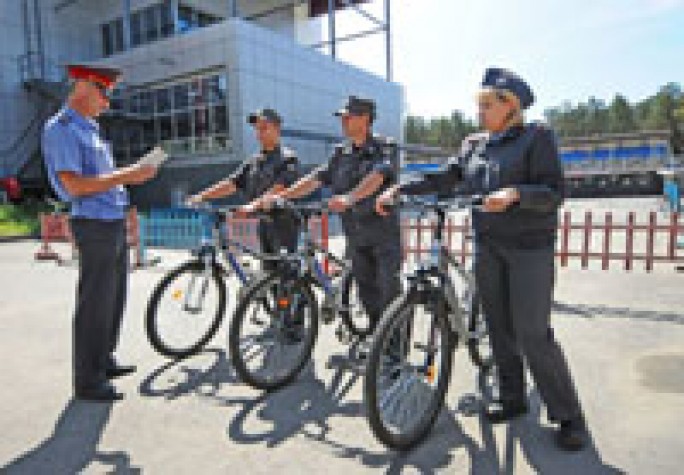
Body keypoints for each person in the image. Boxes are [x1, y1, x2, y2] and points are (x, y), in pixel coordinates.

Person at [376, 68, 588, 451]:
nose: (480, 112)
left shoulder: (535, 137)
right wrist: (401, 188)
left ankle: (568, 415)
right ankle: (512, 398)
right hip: (488, 244)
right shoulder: (475, 144)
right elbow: (448, 176)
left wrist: (515, 194)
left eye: (487, 105)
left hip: (529, 247)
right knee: (499, 328)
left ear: (511, 106)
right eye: (480, 105)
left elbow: (554, 191)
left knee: (532, 333)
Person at [42, 64, 158, 402]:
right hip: (92, 224)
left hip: (111, 219)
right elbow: (74, 185)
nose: (107, 102)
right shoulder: (62, 128)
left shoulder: (90, 128)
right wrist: (127, 176)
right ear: (83, 87)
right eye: (104, 92)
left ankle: (103, 359)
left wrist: (126, 183)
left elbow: (103, 179)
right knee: (94, 302)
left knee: (113, 297)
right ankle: (88, 380)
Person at [258, 96, 402, 343]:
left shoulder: (385, 146)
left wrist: (351, 197)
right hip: (355, 237)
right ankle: (380, 344)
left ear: (365, 118)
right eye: (342, 117)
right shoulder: (341, 152)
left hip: (382, 237)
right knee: (368, 296)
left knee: (389, 296)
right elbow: (317, 177)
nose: (343, 121)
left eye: (349, 116)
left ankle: (394, 353)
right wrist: (283, 196)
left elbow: (379, 175)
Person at [187, 108, 300, 270]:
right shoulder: (254, 161)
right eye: (257, 129)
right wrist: (202, 196)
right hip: (264, 224)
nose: (259, 133)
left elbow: (279, 189)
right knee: (268, 274)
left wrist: (252, 205)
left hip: (284, 225)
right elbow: (232, 183)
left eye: (264, 128)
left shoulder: (288, 158)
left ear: (277, 128)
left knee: (285, 276)